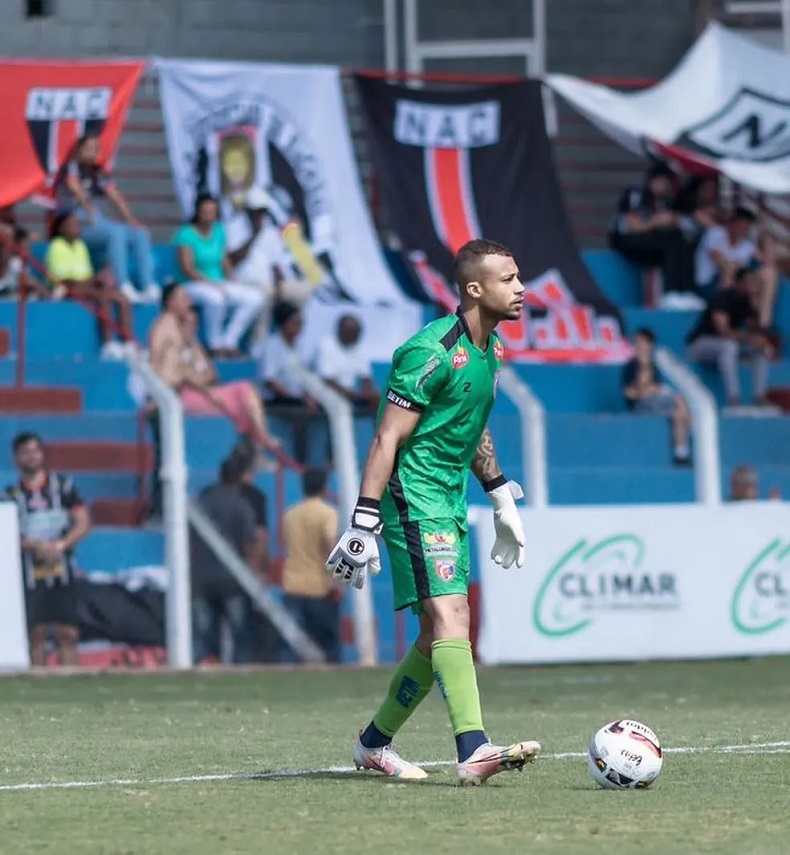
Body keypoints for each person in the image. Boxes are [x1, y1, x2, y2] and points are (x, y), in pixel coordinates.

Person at [326, 238, 539, 785]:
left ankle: (373, 744)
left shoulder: (491, 350)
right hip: (411, 496)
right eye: (509, 278)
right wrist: (362, 522)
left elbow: (470, 427)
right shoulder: (430, 351)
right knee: (453, 619)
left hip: (447, 498)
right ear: (475, 289)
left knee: (434, 637)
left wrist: (497, 494)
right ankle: (474, 749)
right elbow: (386, 440)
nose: (521, 288)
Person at [148, 285, 278, 451]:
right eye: (183, 298)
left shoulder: (186, 336)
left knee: (244, 395)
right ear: (171, 302)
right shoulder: (166, 326)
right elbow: (170, 371)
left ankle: (257, 450)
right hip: (182, 394)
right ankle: (262, 440)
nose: (189, 302)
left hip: (199, 389)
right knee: (244, 393)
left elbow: (210, 373)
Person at [4, 432, 91, 667]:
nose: (31, 457)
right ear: (16, 458)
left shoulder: (63, 487)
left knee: (68, 632)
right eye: (25, 452)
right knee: (36, 633)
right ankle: (37, 690)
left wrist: (61, 545)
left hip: (63, 568)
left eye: (35, 451)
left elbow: (82, 522)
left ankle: (73, 686)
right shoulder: (11, 495)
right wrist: (33, 545)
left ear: (42, 454)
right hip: (30, 572)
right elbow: (7, 534)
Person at [54, 133, 159, 304]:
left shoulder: (99, 172)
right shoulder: (71, 167)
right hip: (75, 223)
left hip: (96, 220)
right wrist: (88, 210)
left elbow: (115, 196)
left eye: (95, 149)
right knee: (115, 233)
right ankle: (122, 285)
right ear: (78, 151)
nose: (92, 152)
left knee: (140, 233)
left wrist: (130, 219)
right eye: (87, 148)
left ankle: (148, 286)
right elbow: (75, 188)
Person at [173, 193, 264, 357]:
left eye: (212, 211)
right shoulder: (186, 233)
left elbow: (224, 261)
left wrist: (232, 281)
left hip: (217, 282)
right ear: (198, 212)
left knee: (255, 298)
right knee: (216, 299)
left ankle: (230, 342)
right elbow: (187, 268)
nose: (209, 215)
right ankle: (214, 344)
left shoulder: (219, 231)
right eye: (205, 211)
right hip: (191, 284)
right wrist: (209, 282)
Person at [190, 456, 259, 664]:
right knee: (239, 634)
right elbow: (250, 544)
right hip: (232, 579)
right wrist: (254, 575)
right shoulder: (241, 505)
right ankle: (240, 670)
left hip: (201, 577)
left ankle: (204, 668)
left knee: (204, 634)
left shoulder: (202, 501)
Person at [227, 186, 314, 347]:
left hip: (268, 283)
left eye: (262, 211)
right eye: (255, 210)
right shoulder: (235, 228)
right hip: (244, 281)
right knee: (267, 294)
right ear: (247, 210)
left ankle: (292, 341)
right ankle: (258, 345)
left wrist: (279, 284)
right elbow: (232, 260)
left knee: (304, 291)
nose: (258, 215)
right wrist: (254, 235)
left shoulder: (271, 232)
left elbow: (276, 264)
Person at [45, 210, 134, 360]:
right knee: (102, 297)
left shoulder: (81, 246)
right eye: (72, 224)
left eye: (77, 224)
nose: (76, 227)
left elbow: (86, 275)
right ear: (61, 228)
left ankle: (127, 343)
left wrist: (97, 279)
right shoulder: (56, 247)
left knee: (121, 298)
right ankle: (108, 344)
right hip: (65, 289)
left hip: (86, 286)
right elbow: (65, 280)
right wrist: (93, 280)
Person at [687, 267, 774, 408]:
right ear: (739, 283)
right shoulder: (722, 298)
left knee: (759, 350)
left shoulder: (747, 301)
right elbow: (724, 331)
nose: (753, 285)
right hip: (701, 344)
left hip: (726, 344)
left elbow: (756, 330)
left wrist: (757, 302)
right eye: (749, 282)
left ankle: (759, 397)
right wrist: (750, 338)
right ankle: (733, 399)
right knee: (729, 347)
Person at [282, 468, 342, 663]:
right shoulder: (327, 513)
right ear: (324, 488)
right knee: (329, 643)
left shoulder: (290, 514)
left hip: (293, 584)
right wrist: (337, 580)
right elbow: (330, 545)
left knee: (294, 645)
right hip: (318, 587)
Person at [609, 163, 697, 295]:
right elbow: (631, 227)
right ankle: (670, 292)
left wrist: (673, 220)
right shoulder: (635, 195)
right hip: (625, 239)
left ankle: (685, 291)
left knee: (679, 240)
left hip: (651, 241)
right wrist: (656, 221)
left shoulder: (665, 201)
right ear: (652, 180)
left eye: (667, 182)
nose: (665, 186)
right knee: (668, 242)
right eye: (662, 181)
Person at [260, 301, 324, 464]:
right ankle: (299, 462)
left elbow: (305, 376)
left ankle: (325, 460)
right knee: (302, 411)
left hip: (297, 397)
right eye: (295, 323)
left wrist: (308, 395)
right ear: (283, 324)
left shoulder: (298, 347)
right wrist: (296, 397)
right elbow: (270, 381)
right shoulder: (272, 346)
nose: (299, 327)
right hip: (276, 399)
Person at [622, 328, 691, 466]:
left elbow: (657, 387)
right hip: (642, 407)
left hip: (658, 403)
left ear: (650, 345)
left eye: (643, 343)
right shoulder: (630, 366)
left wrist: (652, 388)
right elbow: (632, 393)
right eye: (637, 342)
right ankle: (693, 431)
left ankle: (681, 453)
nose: (640, 346)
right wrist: (644, 367)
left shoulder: (656, 364)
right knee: (676, 405)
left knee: (679, 406)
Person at [316, 314, 380, 414]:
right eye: (353, 332)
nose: (357, 335)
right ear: (342, 331)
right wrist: (354, 395)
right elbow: (327, 380)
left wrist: (369, 393)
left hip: (348, 394)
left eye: (358, 332)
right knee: (341, 404)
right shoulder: (326, 345)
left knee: (383, 401)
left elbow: (366, 378)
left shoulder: (358, 349)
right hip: (324, 392)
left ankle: (380, 429)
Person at [695, 207, 760, 296]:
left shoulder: (747, 244)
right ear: (732, 223)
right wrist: (738, 265)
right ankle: (723, 305)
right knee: (729, 269)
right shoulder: (715, 233)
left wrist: (764, 230)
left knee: (763, 275)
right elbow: (719, 261)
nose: (743, 229)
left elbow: (766, 261)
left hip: (736, 284)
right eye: (740, 224)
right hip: (708, 284)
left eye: (746, 226)